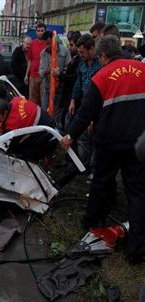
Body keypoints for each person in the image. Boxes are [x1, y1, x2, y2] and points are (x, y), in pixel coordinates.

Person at [61, 35, 145, 264]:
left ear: (104, 55)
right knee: (137, 192)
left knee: (101, 181)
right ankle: (136, 249)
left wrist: (70, 135)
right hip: (139, 143)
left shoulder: (102, 76)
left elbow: (85, 113)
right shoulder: (142, 69)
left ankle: (93, 221)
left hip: (110, 142)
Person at [0, 79, 57, 161]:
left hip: (48, 141)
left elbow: (8, 146)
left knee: (18, 154)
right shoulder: (16, 100)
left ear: (5, 113)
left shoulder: (12, 125)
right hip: (52, 129)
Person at [68, 34, 101, 172]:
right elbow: (78, 83)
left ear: (91, 49)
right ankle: (83, 163)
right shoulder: (82, 63)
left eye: (82, 52)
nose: (80, 54)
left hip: (96, 107)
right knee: (80, 134)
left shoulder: (101, 65)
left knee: (93, 138)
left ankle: (92, 167)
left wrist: (94, 117)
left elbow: (101, 92)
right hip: (83, 103)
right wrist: (73, 100)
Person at [39, 30, 71, 129]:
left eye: (49, 43)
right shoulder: (43, 53)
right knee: (44, 113)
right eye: (45, 44)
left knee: (56, 116)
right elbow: (40, 73)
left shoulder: (65, 51)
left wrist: (60, 73)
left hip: (60, 90)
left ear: (54, 40)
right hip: (47, 89)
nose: (47, 46)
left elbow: (69, 69)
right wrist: (46, 71)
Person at [61, 31, 81, 131]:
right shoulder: (74, 58)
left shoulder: (81, 61)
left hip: (72, 96)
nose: (69, 47)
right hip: (68, 95)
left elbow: (74, 78)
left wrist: (60, 75)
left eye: (72, 45)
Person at [25, 22, 46, 105]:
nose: (40, 32)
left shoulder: (48, 44)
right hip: (33, 76)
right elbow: (30, 60)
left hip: (44, 77)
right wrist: (26, 75)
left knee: (43, 101)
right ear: (36, 32)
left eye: (42, 30)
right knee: (32, 101)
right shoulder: (32, 43)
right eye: (38, 31)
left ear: (45, 31)